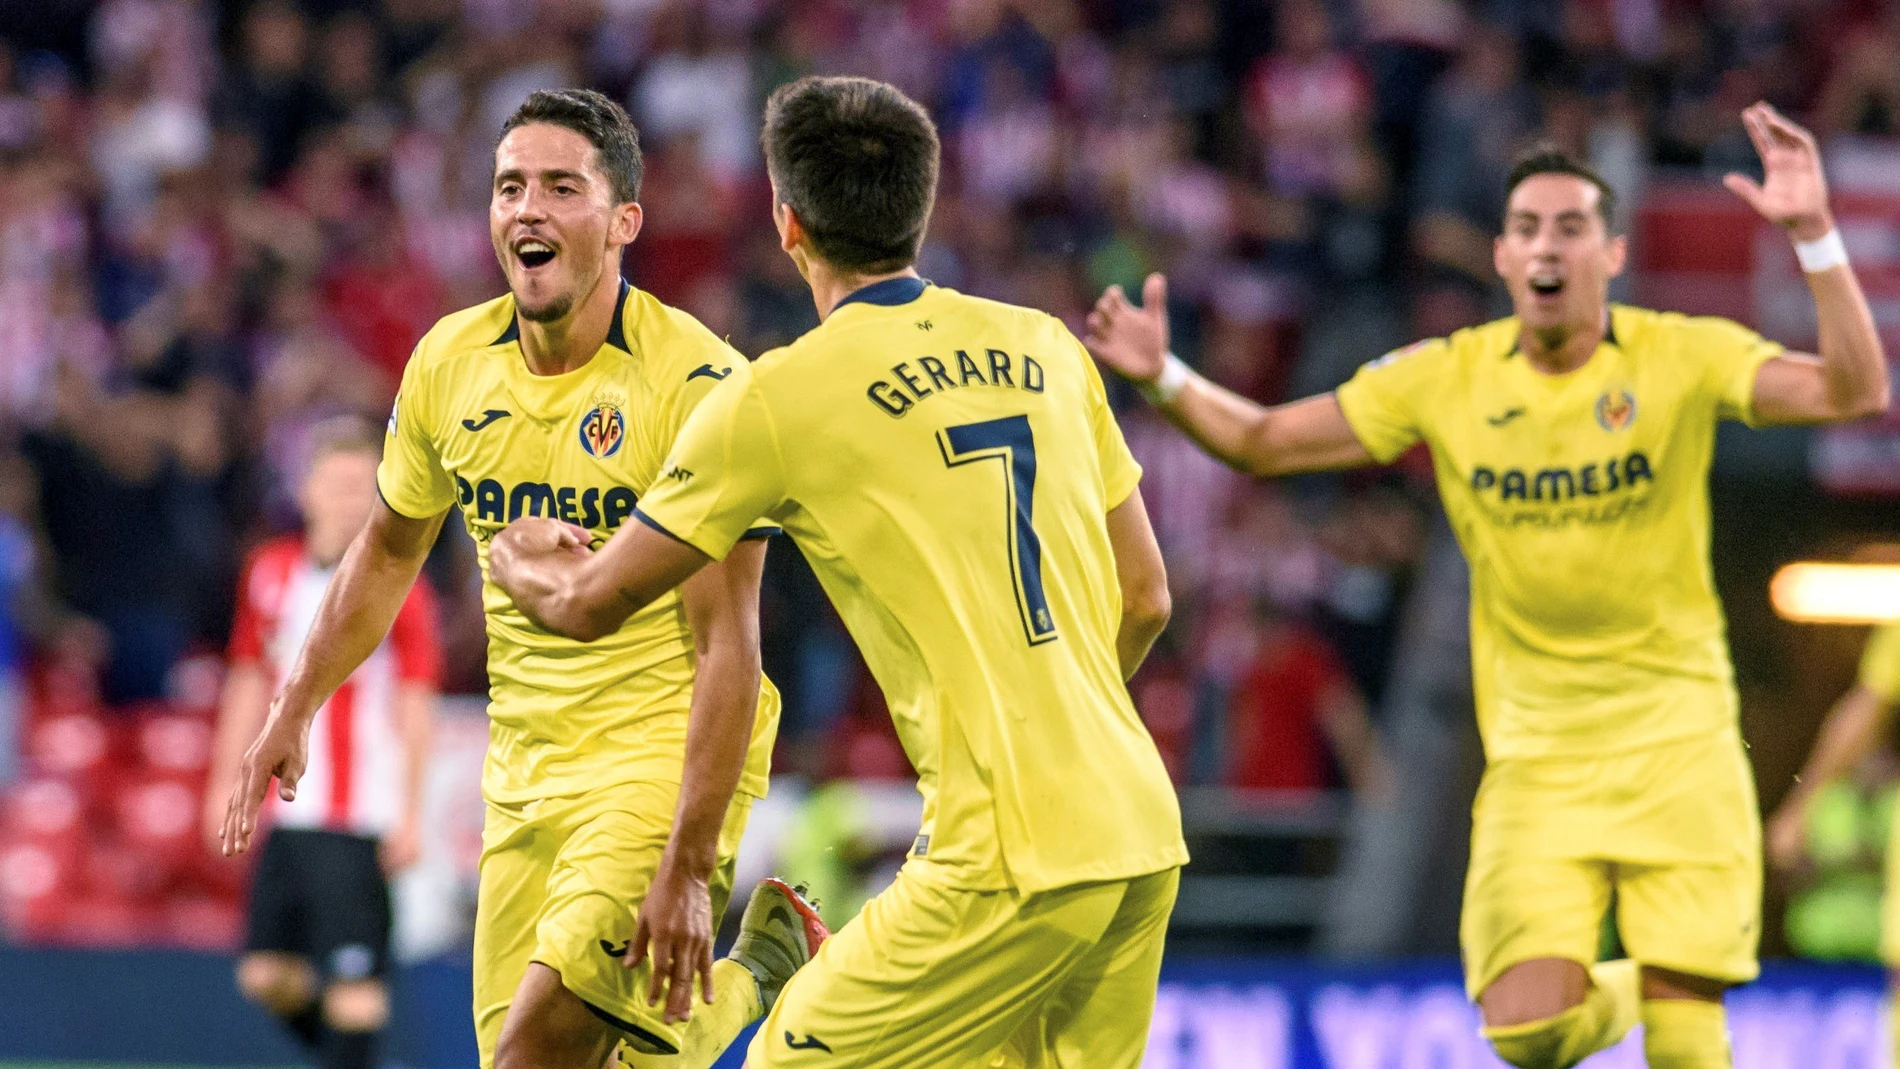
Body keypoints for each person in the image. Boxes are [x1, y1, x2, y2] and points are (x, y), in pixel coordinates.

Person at [1083, 102, 1888, 1069]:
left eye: (1572, 227)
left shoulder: (1678, 353)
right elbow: (1262, 440)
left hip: (1679, 739)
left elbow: (1853, 391)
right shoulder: (1445, 377)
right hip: (1537, 759)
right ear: (1503, 259)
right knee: (1527, 1030)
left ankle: (1684, 990)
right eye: (1527, 228)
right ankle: (1673, 977)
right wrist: (1165, 374)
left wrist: (1813, 234)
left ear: (1613, 253)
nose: (1547, 246)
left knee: (1685, 1049)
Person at [487, 75, 1186, 1069]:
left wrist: (522, 557)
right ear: (921, 209)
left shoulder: (778, 395)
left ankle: (753, 982)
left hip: (1004, 852)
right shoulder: (1047, 346)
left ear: (786, 222)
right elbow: (1147, 596)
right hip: (1138, 827)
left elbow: (590, 600)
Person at [220, 88, 824, 1069]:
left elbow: (731, 644)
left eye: (559, 186)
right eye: (509, 187)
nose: (527, 208)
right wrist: (296, 702)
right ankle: (765, 967)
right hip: (524, 775)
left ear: (625, 219)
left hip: (654, 764)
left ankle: (750, 974)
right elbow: (383, 551)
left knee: (530, 1058)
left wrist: (683, 861)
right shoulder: (447, 366)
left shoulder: (703, 389)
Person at [204, 418, 439, 1069]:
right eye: (333, 483)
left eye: (359, 487)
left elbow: (416, 702)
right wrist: (225, 781)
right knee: (266, 973)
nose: (344, 499)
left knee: (355, 992)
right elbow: (249, 679)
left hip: (358, 814)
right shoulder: (268, 572)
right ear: (305, 490)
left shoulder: (401, 587)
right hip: (288, 811)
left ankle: (356, 1055)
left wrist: (415, 811)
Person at [1767, 623, 1900, 1057]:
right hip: (1826, 957)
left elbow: (1868, 705)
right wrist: (1802, 811)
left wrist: (1798, 811)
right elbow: (1870, 703)